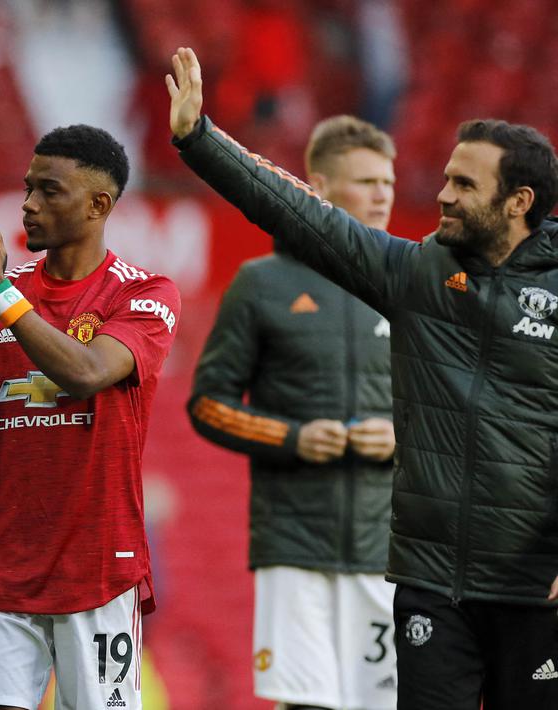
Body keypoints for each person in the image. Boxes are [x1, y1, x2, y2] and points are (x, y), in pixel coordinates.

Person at [168, 46, 558, 709]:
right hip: (430, 583)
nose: (440, 194)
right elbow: (297, 212)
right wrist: (199, 140)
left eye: (464, 185)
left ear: (518, 201)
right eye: (445, 177)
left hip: (534, 583)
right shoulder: (417, 275)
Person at [0, 125, 180, 710]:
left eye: (49, 191)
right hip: (1, 570)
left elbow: (87, 371)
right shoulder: (3, 293)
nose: (28, 204)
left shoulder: (144, 293)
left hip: (97, 569)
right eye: (28, 188)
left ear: (99, 205)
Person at [187, 115, 399, 710]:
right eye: (366, 181)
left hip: (389, 546)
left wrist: (402, 436)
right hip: (293, 546)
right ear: (321, 187)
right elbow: (208, 404)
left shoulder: (414, 284)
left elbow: (454, 411)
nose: (383, 193)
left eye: (388, 180)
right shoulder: (262, 284)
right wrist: (294, 437)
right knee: (306, 705)